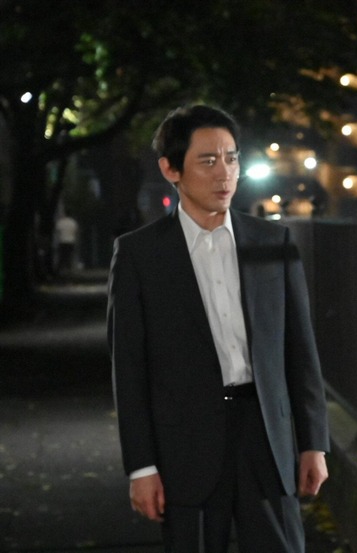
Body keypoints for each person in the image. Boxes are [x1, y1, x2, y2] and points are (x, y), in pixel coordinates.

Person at [107, 105, 329, 552]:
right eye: (207, 161)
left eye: (231, 158)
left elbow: (300, 351)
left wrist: (314, 443)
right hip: (185, 443)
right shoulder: (139, 255)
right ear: (171, 169)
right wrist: (141, 467)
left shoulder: (273, 242)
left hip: (266, 435)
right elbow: (128, 370)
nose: (224, 173)